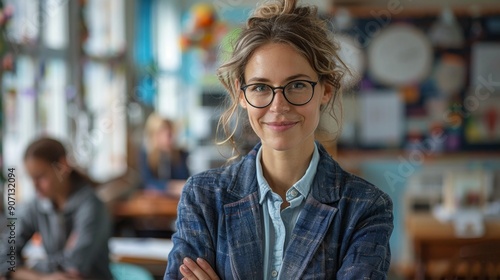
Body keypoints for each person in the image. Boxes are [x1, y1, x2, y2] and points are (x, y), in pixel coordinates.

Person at [165, 0, 394, 279]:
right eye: (261, 87)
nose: (278, 106)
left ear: (326, 90)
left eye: (297, 85)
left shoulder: (365, 207)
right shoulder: (202, 198)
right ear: (241, 93)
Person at [0, 137, 113, 280]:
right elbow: (4, 255)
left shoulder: (91, 207)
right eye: (31, 179)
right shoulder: (37, 205)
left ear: (62, 166)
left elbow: (73, 266)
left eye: (40, 177)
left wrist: (22, 270)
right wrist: (40, 278)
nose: (35, 187)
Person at [139, 113, 190, 197]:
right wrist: (170, 186)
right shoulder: (146, 155)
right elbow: (147, 183)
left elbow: (185, 180)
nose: (170, 138)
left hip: (176, 201)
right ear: (154, 135)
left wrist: (170, 155)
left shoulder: (181, 154)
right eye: (166, 134)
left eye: (171, 133)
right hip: (156, 203)